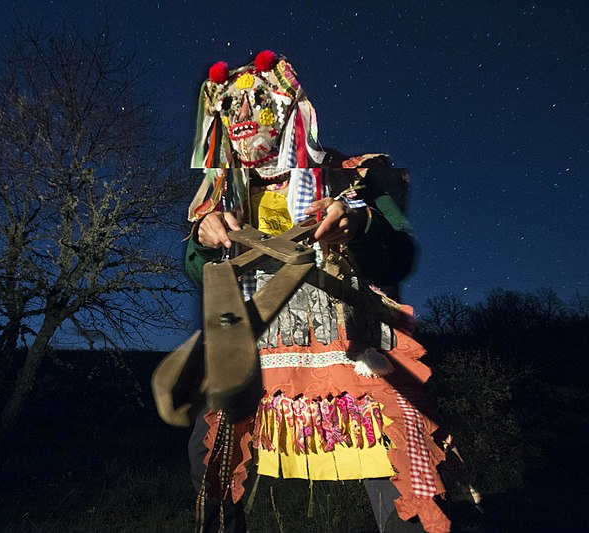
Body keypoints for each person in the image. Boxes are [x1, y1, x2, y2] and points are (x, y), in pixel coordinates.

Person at [184, 51, 451, 533]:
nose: (241, 117)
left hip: (357, 353)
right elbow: (196, 273)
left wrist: (358, 223)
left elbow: (399, 255)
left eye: (257, 103)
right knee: (211, 458)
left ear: (289, 106)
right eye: (229, 107)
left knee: (405, 469)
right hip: (254, 354)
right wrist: (204, 240)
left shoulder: (357, 176)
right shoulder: (219, 199)